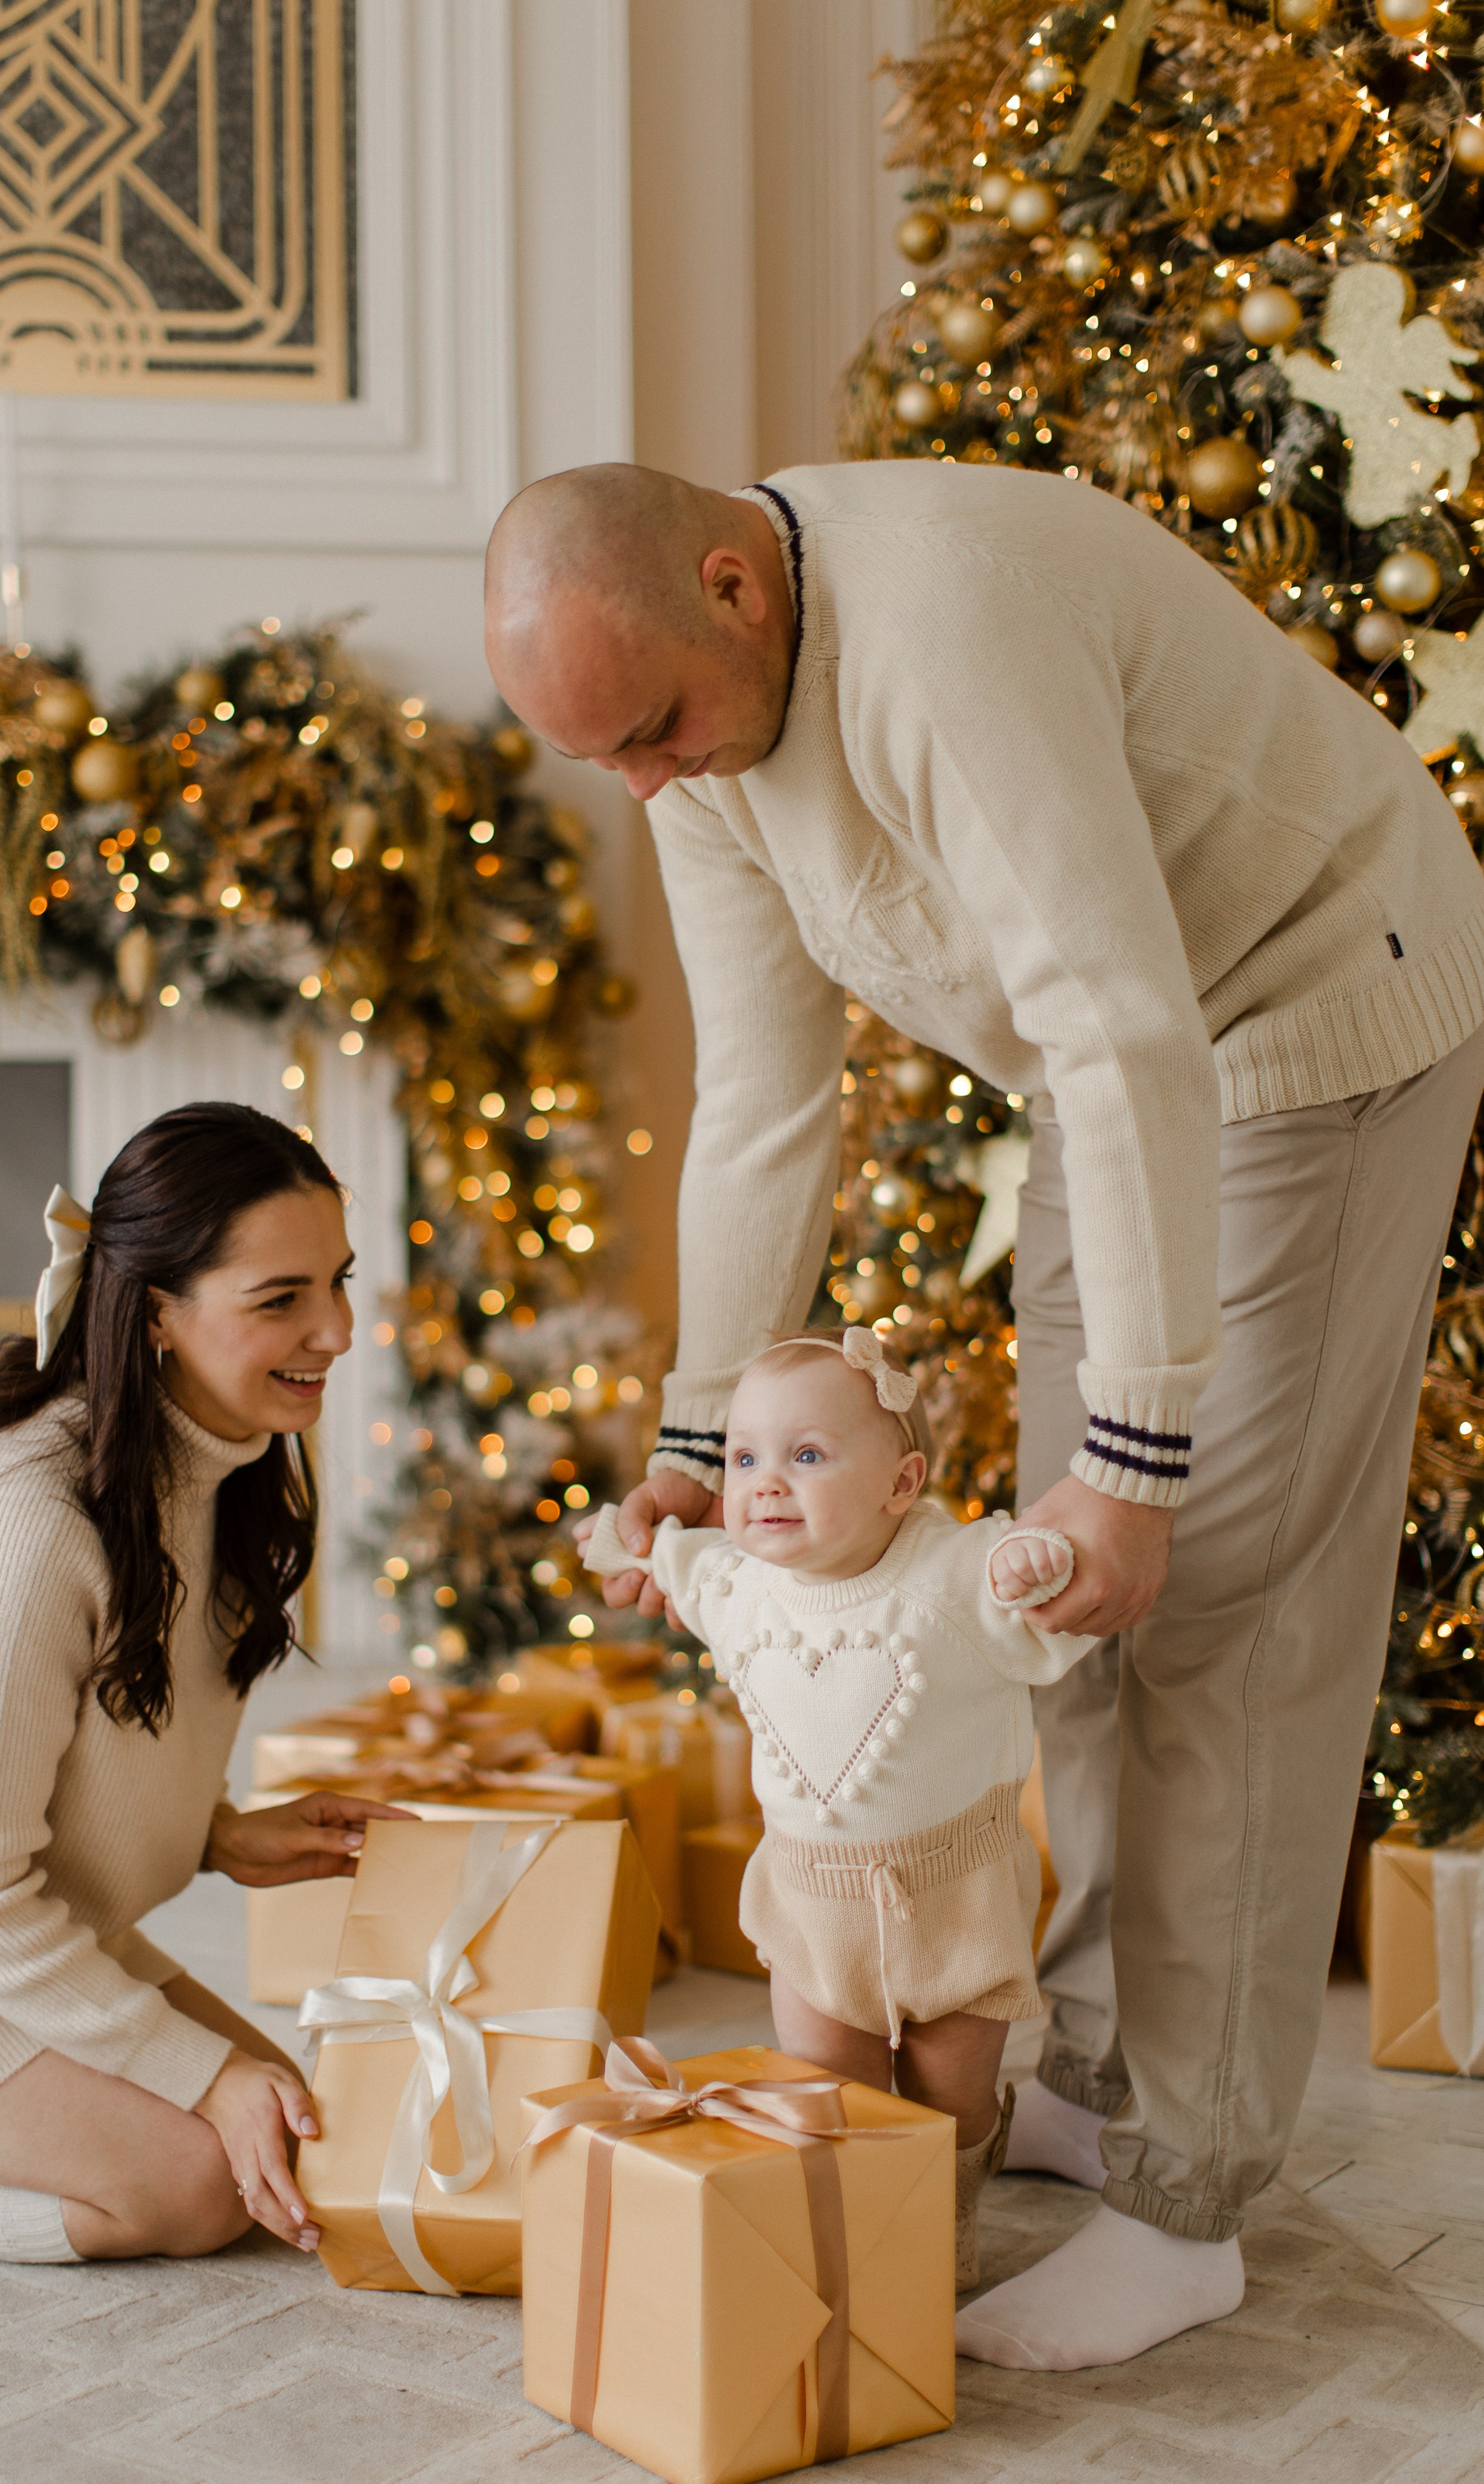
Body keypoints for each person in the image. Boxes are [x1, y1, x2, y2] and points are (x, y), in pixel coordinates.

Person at [485, 457, 1484, 2369]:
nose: (647, 781)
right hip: (1116, 1061)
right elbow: (768, 1101)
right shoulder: (692, 748)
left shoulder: (937, 629)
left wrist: (1144, 1448)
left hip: (1304, 1011)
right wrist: (697, 1443)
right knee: (1059, 1596)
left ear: (735, 586)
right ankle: (1101, 2083)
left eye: (656, 727)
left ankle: (1188, 2208)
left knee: (1213, 1608)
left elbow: (1121, 1018)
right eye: (604, 755)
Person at [0, 1102, 400, 2265]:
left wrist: (219, 1836)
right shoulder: (26, 1526)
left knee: (289, 2121)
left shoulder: (221, 1474)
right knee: (197, 2185)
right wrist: (196, 2077)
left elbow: (64, 1762)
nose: (336, 1332)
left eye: (337, 1282)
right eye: (281, 1299)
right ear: (155, 1318)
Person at [582, 1325, 1095, 2287]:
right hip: (813, 1909)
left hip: (953, 1897)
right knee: (834, 2092)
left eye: (807, 1456)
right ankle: (871, 2253)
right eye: (744, 1458)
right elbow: (668, 1562)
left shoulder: (946, 1575)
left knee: (950, 2099)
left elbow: (1023, 1580)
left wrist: (1037, 1564)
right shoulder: (736, 1584)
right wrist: (617, 1542)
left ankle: (956, 2201)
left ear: (902, 1487)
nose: (764, 1483)